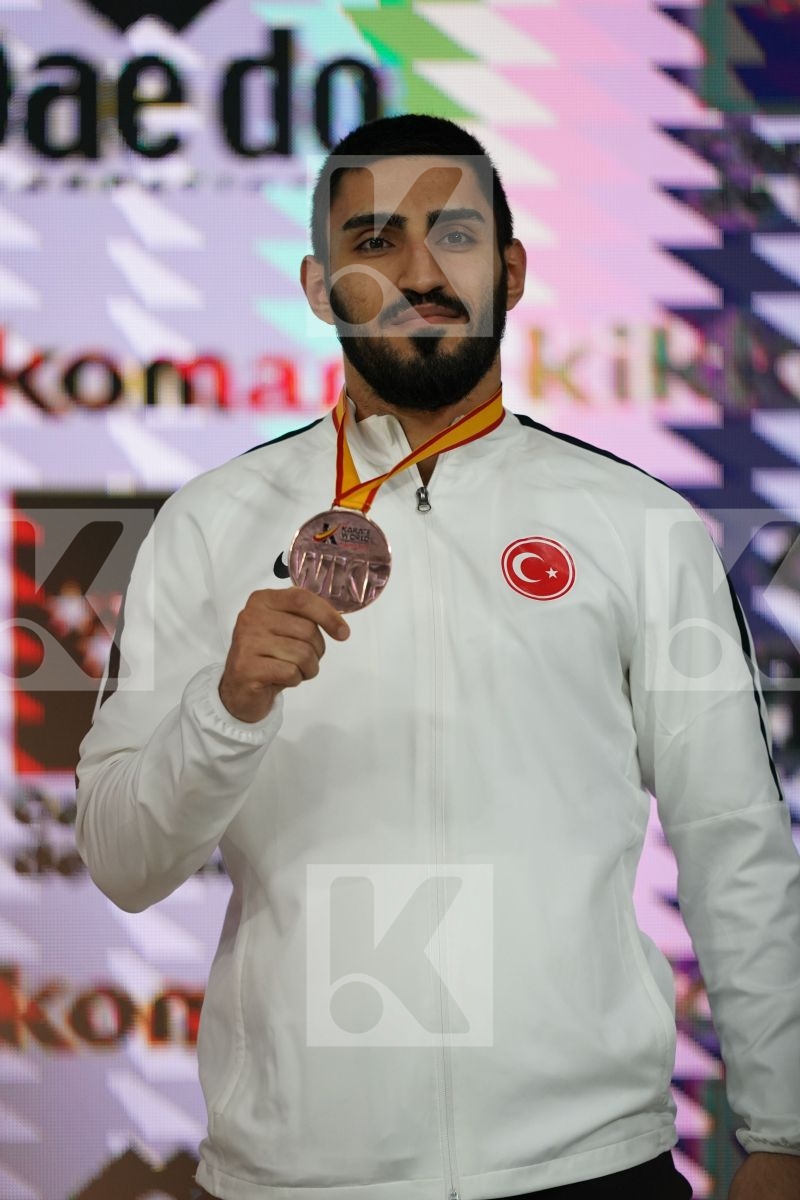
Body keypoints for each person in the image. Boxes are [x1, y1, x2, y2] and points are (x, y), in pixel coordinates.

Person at [75, 114, 800, 1200]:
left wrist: (784, 1132)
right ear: (321, 288)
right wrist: (223, 710)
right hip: (294, 1177)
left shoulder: (635, 523)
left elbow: (733, 841)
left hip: (588, 1165)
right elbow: (125, 863)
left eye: (453, 235)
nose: (419, 270)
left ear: (508, 268)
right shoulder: (208, 524)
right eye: (375, 243)